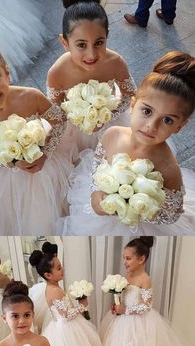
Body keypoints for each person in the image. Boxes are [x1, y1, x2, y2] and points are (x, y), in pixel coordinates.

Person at [60, 51, 195, 236]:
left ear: (180, 126)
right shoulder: (112, 135)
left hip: (142, 228)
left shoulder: (168, 166)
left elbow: (172, 215)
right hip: (104, 216)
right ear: (133, 104)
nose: (151, 126)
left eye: (167, 120)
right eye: (147, 111)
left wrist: (140, 208)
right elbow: (98, 166)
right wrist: (97, 193)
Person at [0, 25, 70, 235]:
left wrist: (44, 152)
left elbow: (58, 120)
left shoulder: (31, 96)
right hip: (5, 182)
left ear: (6, 72)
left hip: (45, 167)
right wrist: (9, 160)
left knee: (52, 211)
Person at [102, 237, 195, 346]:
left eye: (128, 258)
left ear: (141, 259)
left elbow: (147, 306)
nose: (124, 261)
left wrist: (127, 310)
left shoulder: (145, 278)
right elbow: (124, 297)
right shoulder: (127, 276)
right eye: (124, 257)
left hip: (140, 322)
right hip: (123, 321)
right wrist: (118, 307)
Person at [47, 0, 136, 156]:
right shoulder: (57, 72)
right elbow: (56, 110)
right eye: (81, 45)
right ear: (65, 42)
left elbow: (128, 96)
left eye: (99, 43)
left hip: (110, 122)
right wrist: (81, 119)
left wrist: (106, 116)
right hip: (75, 130)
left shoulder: (115, 62)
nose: (92, 54)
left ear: (107, 35)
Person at [30, 241, 103, 346]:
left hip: (63, 326)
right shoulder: (55, 291)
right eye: (58, 268)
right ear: (48, 275)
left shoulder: (53, 287)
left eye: (60, 265)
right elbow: (65, 315)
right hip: (66, 328)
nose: (62, 269)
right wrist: (82, 306)